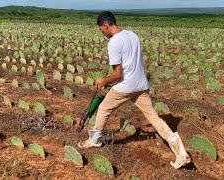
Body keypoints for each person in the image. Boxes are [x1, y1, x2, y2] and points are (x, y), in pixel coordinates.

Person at [78, 11, 191, 169]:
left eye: (100, 29)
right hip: (140, 84)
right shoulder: (132, 35)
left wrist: (104, 80)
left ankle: (94, 140)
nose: (101, 32)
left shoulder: (114, 43)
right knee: (154, 118)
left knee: (103, 109)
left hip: (126, 86)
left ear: (106, 25)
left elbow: (118, 74)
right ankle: (181, 152)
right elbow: (130, 64)